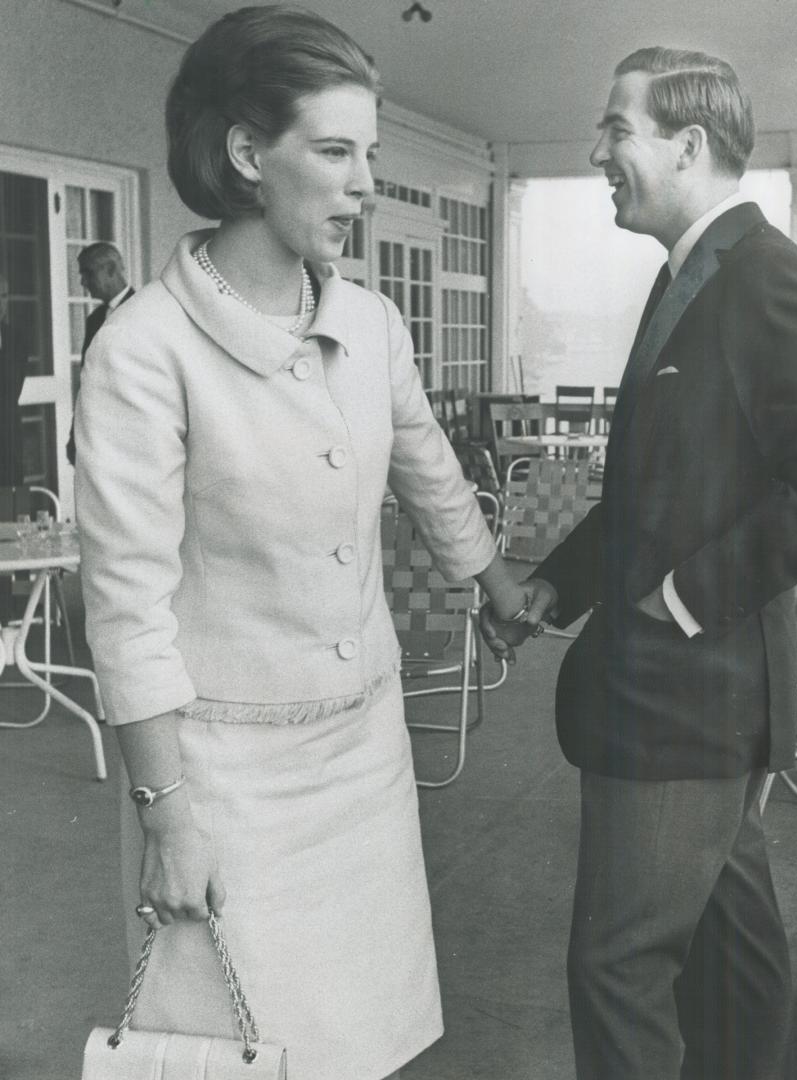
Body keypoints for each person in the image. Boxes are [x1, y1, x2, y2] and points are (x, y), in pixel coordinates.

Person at [74, 7, 528, 1079]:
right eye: (335, 151)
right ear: (245, 153)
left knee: (360, 1045)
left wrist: (500, 585)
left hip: (364, 756)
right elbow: (126, 609)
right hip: (224, 782)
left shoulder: (369, 322)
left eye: (367, 152)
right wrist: (166, 815)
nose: (365, 182)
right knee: (241, 1051)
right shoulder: (144, 350)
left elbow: (427, 467)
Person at [481, 47, 797, 1080]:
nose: (596, 151)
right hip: (681, 705)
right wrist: (551, 587)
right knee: (738, 963)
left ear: (687, 145)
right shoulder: (692, 276)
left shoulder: (761, 277)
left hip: (681, 705)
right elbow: (656, 489)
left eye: (616, 129)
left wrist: (679, 596)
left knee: (617, 966)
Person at [65, 242, 134, 466]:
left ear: (111, 270)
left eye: (88, 272)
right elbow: (88, 380)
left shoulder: (143, 310)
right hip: (97, 436)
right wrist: (76, 434)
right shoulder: (94, 320)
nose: (83, 281)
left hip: (130, 436)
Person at [0, 270, 27, 487]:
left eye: (3, 296)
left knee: (13, 503)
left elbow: (14, 387)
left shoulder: (16, 338)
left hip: (9, 435)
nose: (1, 303)